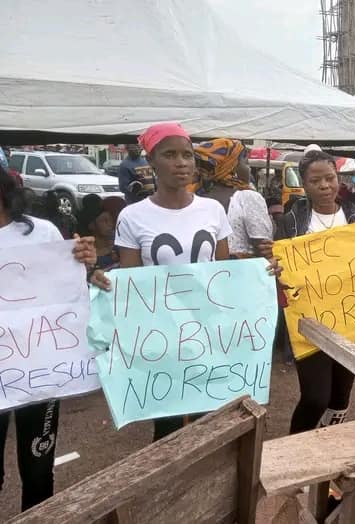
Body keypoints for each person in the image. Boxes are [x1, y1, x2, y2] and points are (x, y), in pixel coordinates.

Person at [112, 123, 270, 441]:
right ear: (151, 161)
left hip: (209, 333)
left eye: (187, 155)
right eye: (170, 155)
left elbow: (224, 272)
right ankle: (170, 489)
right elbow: (131, 283)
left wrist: (261, 270)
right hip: (163, 336)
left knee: (209, 419)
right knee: (168, 425)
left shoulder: (212, 210)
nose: (181, 162)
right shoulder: (132, 217)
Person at [0, 166, 97, 511]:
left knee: (39, 471)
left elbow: (67, 290)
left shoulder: (41, 233)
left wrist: (85, 263)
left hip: (40, 374)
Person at [274, 150, 355, 434]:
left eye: (330, 178)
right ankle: (295, 451)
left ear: (338, 179)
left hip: (351, 318)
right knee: (315, 398)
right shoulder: (291, 222)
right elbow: (281, 265)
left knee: (339, 399)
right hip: (309, 322)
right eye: (316, 181)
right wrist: (275, 268)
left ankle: (325, 453)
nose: (325, 186)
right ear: (304, 184)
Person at [192, 138, 248, 211]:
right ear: (230, 167)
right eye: (246, 163)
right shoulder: (247, 198)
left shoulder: (192, 195)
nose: (249, 169)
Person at [77, 194, 126, 271]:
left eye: (111, 220)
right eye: (104, 221)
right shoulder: (86, 254)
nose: (110, 224)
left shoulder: (118, 245)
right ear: (91, 225)